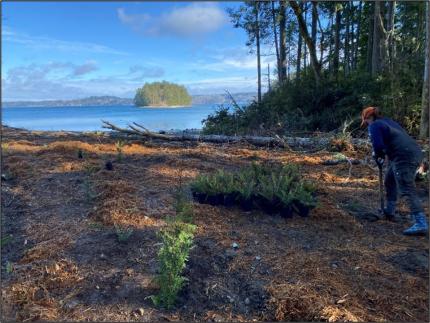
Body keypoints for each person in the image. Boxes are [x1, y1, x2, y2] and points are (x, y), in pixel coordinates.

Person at [361, 106, 428, 236]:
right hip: (412, 153)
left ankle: (421, 223)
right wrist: (383, 155)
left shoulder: (374, 125)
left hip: (403, 156)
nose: (367, 124)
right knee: (390, 180)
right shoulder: (388, 121)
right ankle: (390, 211)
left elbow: (378, 146)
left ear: (369, 117)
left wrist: (378, 154)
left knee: (406, 188)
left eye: (366, 121)